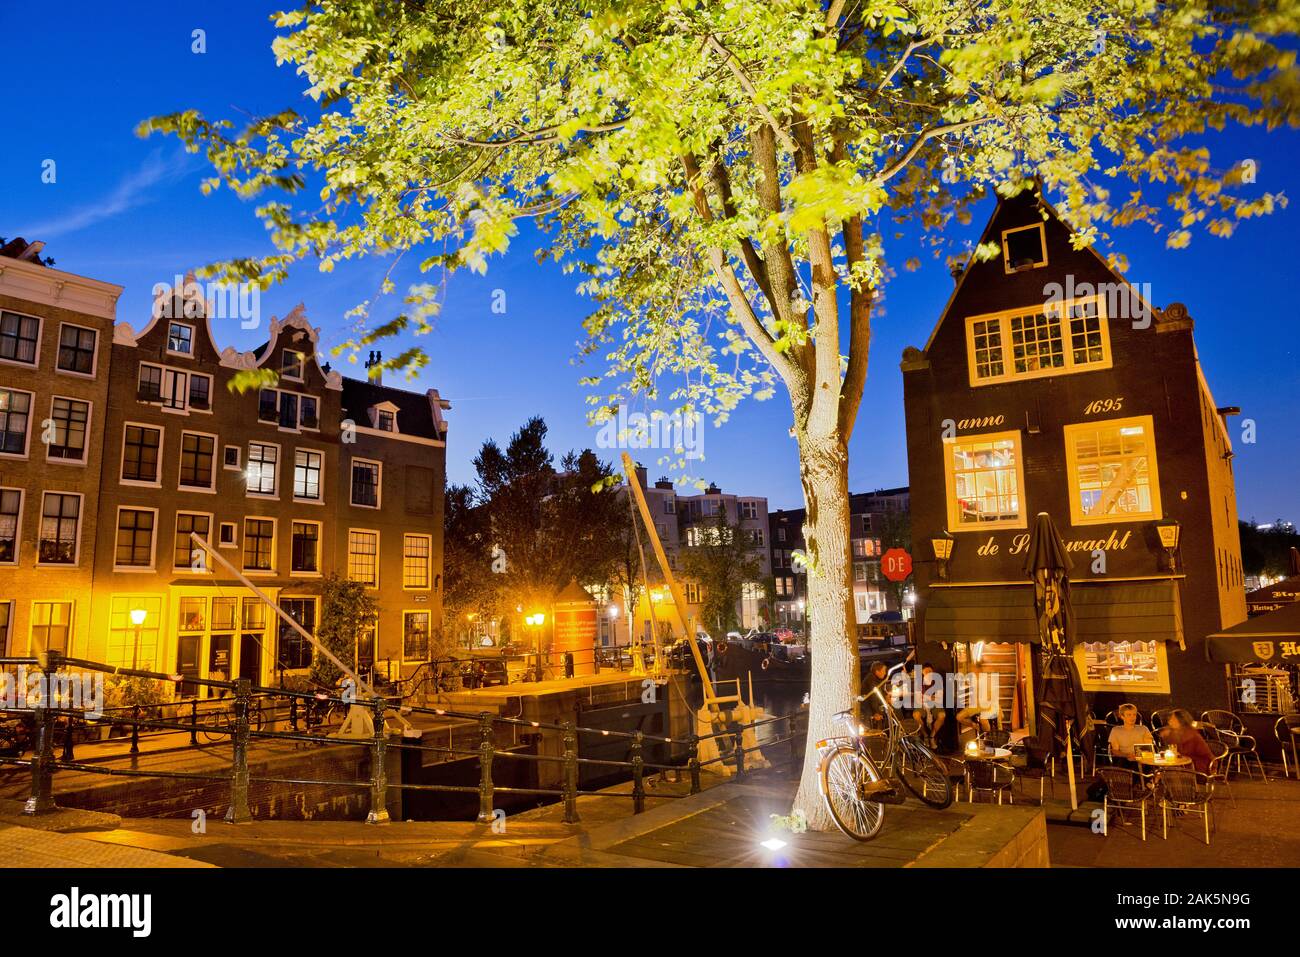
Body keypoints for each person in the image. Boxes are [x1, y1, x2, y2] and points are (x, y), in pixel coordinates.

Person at [1159, 708, 1214, 774]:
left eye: (1172, 719)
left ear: (1181, 721)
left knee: (1168, 770)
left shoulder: (1191, 735)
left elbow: (1185, 752)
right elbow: (1173, 750)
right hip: (1184, 762)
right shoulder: (1175, 732)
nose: (1169, 721)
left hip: (1200, 765)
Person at [1105, 704, 1154, 768]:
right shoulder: (1116, 730)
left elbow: (1148, 747)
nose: (1132, 717)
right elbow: (1115, 751)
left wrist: (1138, 756)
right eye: (1129, 715)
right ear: (1122, 716)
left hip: (1143, 759)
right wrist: (1127, 755)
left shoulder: (1143, 729)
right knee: (1127, 764)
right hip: (1125, 759)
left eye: (1134, 715)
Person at [911, 662, 947, 749]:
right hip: (922, 704)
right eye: (926, 671)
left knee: (942, 715)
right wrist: (931, 697)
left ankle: (932, 736)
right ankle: (925, 735)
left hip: (935, 704)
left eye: (930, 671)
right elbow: (918, 698)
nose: (928, 673)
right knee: (916, 715)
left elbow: (939, 698)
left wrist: (925, 696)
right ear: (922, 672)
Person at [861, 660, 889, 729]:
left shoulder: (876, 679)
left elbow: (881, 691)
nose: (885, 673)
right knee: (870, 728)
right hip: (867, 708)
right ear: (877, 672)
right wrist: (876, 712)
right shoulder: (871, 679)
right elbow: (874, 697)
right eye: (884, 671)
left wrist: (886, 695)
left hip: (872, 706)